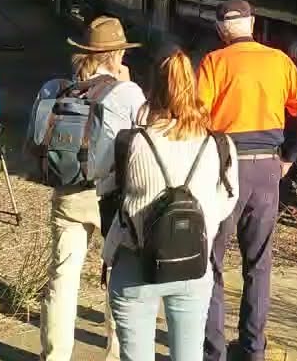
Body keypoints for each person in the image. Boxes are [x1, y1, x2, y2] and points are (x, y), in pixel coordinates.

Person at [198, 0, 297, 361]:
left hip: (224, 170)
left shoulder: (214, 63)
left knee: (211, 262)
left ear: (221, 29)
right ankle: (253, 351)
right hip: (267, 170)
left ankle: (213, 352)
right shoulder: (279, 61)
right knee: (259, 263)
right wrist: (287, 159)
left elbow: (197, 119)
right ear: (252, 23)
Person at [104, 49, 238, 361]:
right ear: (193, 89)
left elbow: (104, 183)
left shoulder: (130, 142)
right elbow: (227, 201)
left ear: (150, 89)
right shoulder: (219, 144)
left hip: (136, 264)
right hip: (193, 265)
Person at [38, 16, 146, 361]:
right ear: (115, 55)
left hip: (68, 193)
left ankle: (55, 355)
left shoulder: (66, 87)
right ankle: (114, 352)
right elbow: (144, 137)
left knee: (63, 277)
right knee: (119, 275)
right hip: (113, 196)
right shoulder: (128, 92)